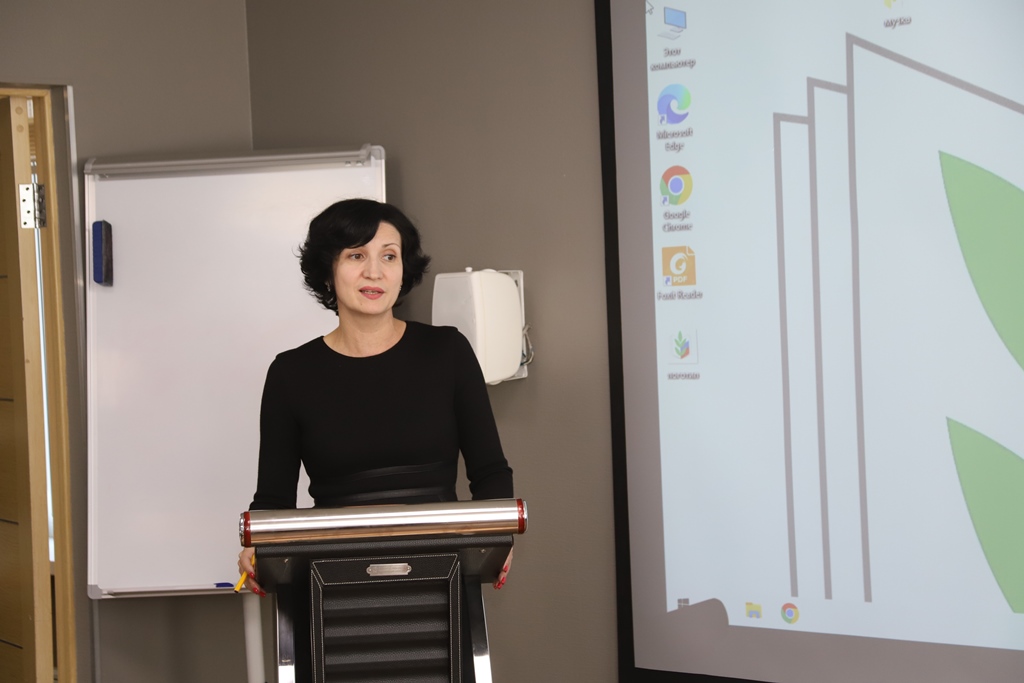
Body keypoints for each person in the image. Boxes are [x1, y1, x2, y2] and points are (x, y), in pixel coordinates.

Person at [237, 198, 514, 596]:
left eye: (389, 256)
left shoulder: (447, 351)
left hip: (442, 571)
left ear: (403, 271)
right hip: (331, 577)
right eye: (356, 255)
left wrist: (498, 536)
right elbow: (273, 498)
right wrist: (256, 544)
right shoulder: (290, 372)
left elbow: (490, 472)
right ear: (328, 271)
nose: (374, 271)